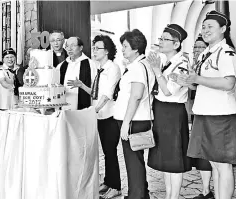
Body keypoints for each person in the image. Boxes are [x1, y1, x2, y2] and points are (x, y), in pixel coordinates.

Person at [180, 10, 236, 199]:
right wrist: (188, 81)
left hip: (220, 114)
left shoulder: (226, 52)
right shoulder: (206, 52)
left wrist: (198, 79)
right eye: (203, 27)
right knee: (214, 163)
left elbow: (229, 83)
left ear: (223, 29)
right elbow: (200, 83)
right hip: (205, 112)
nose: (205, 30)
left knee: (223, 164)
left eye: (210, 26)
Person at [67, 35, 122, 198]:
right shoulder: (99, 69)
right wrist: (81, 85)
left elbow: (107, 94)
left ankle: (116, 186)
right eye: (94, 47)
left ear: (107, 51)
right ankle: (108, 182)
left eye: (98, 48)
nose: (95, 50)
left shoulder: (113, 68)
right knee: (106, 151)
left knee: (111, 151)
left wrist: (94, 110)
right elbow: (96, 92)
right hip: (100, 116)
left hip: (110, 116)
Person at [147, 24, 191, 199]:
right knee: (165, 156)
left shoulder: (182, 63)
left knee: (175, 157)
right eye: (161, 38)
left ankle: (174, 196)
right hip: (161, 111)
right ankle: (168, 195)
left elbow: (168, 91)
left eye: (165, 39)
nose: (161, 42)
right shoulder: (166, 61)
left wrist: (157, 70)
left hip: (173, 113)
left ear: (176, 44)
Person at [113, 29, 155, 199]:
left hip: (133, 120)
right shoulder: (142, 64)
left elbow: (136, 95)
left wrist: (125, 124)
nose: (122, 49)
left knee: (133, 163)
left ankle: (136, 196)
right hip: (137, 118)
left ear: (136, 48)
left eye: (125, 46)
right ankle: (141, 194)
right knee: (136, 161)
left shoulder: (138, 67)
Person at [188, 35, 214, 199]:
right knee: (201, 151)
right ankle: (206, 190)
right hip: (198, 111)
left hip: (211, 112)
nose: (196, 50)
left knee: (213, 154)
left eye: (200, 47)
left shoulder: (211, 65)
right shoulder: (196, 66)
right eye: (195, 47)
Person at [57, 36, 97, 110]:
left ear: (81, 47)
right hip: (63, 107)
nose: (69, 49)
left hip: (83, 109)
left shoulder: (91, 64)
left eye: (73, 45)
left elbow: (96, 89)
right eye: (67, 46)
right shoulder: (61, 66)